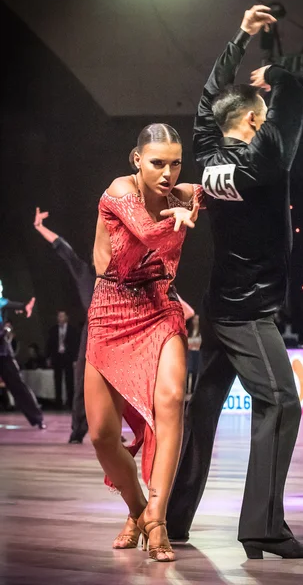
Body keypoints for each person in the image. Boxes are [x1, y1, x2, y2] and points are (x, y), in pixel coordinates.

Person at [167, 6, 303, 560]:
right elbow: (294, 95)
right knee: (281, 403)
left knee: (203, 408)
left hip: (218, 302)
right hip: (246, 310)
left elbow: (210, 93)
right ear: (256, 122)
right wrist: (275, 74)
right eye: (264, 117)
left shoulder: (207, 154)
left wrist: (242, 37)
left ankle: (175, 519)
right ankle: (263, 528)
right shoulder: (261, 159)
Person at [85, 123, 202, 562]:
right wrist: (178, 218)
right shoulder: (119, 191)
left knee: (170, 400)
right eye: (158, 163)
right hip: (111, 309)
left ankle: (157, 516)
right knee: (101, 434)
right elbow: (148, 233)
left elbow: (237, 185)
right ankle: (137, 508)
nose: (168, 173)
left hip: (160, 306)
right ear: (137, 160)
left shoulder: (185, 194)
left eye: (176, 163)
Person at [34, 207, 95, 442]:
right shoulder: (84, 272)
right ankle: (78, 430)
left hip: (115, 333)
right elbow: (64, 249)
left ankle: (108, 429)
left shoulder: (117, 276)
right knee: (81, 383)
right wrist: (40, 228)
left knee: (114, 386)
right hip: (91, 333)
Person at [0, 279, 45, 428]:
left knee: (18, 386)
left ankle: (37, 418)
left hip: (3, 353)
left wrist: (25, 307)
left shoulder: (1, 302)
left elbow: (12, 304)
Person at [46, 310, 79, 409]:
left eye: (62, 316)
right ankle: (58, 403)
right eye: (59, 317)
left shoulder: (72, 330)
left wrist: (75, 359)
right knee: (57, 380)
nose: (60, 318)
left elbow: (75, 345)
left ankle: (70, 402)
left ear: (66, 318)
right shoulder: (53, 330)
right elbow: (49, 345)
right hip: (57, 357)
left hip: (68, 357)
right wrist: (48, 357)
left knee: (69, 380)